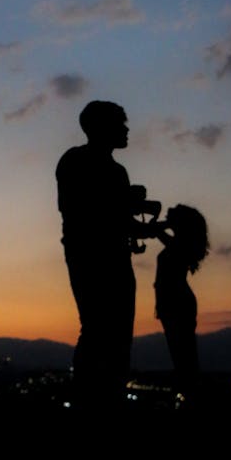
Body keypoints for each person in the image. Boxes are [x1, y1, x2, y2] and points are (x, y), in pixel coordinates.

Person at [55, 101, 159, 411]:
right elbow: (82, 210)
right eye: (120, 124)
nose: (127, 130)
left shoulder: (114, 171)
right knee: (99, 330)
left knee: (113, 333)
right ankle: (94, 401)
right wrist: (130, 203)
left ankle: (103, 397)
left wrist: (137, 210)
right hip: (93, 259)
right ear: (101, 128)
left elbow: (115, 219)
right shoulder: (77, 161)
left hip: (110, 258)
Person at [150, 204, 210, 403]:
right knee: (183, 359)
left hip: (177, 304)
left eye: (172, 216)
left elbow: (158, 229)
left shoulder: (180, 245)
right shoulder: (178, 244)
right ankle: (193, 398)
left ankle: (194, 400)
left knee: (184, 360)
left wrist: (165, 222)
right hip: (174, 303)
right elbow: (158, 230)